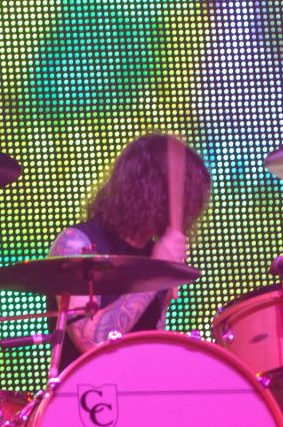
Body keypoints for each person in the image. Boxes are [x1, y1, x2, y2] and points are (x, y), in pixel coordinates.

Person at [47, 132, 211, 370]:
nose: (188, 210)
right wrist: (155, 273)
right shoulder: (77, 243)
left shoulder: (153, 252)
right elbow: (91, 343)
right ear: (152, 193)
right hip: (89, 389)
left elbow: (150, 343)